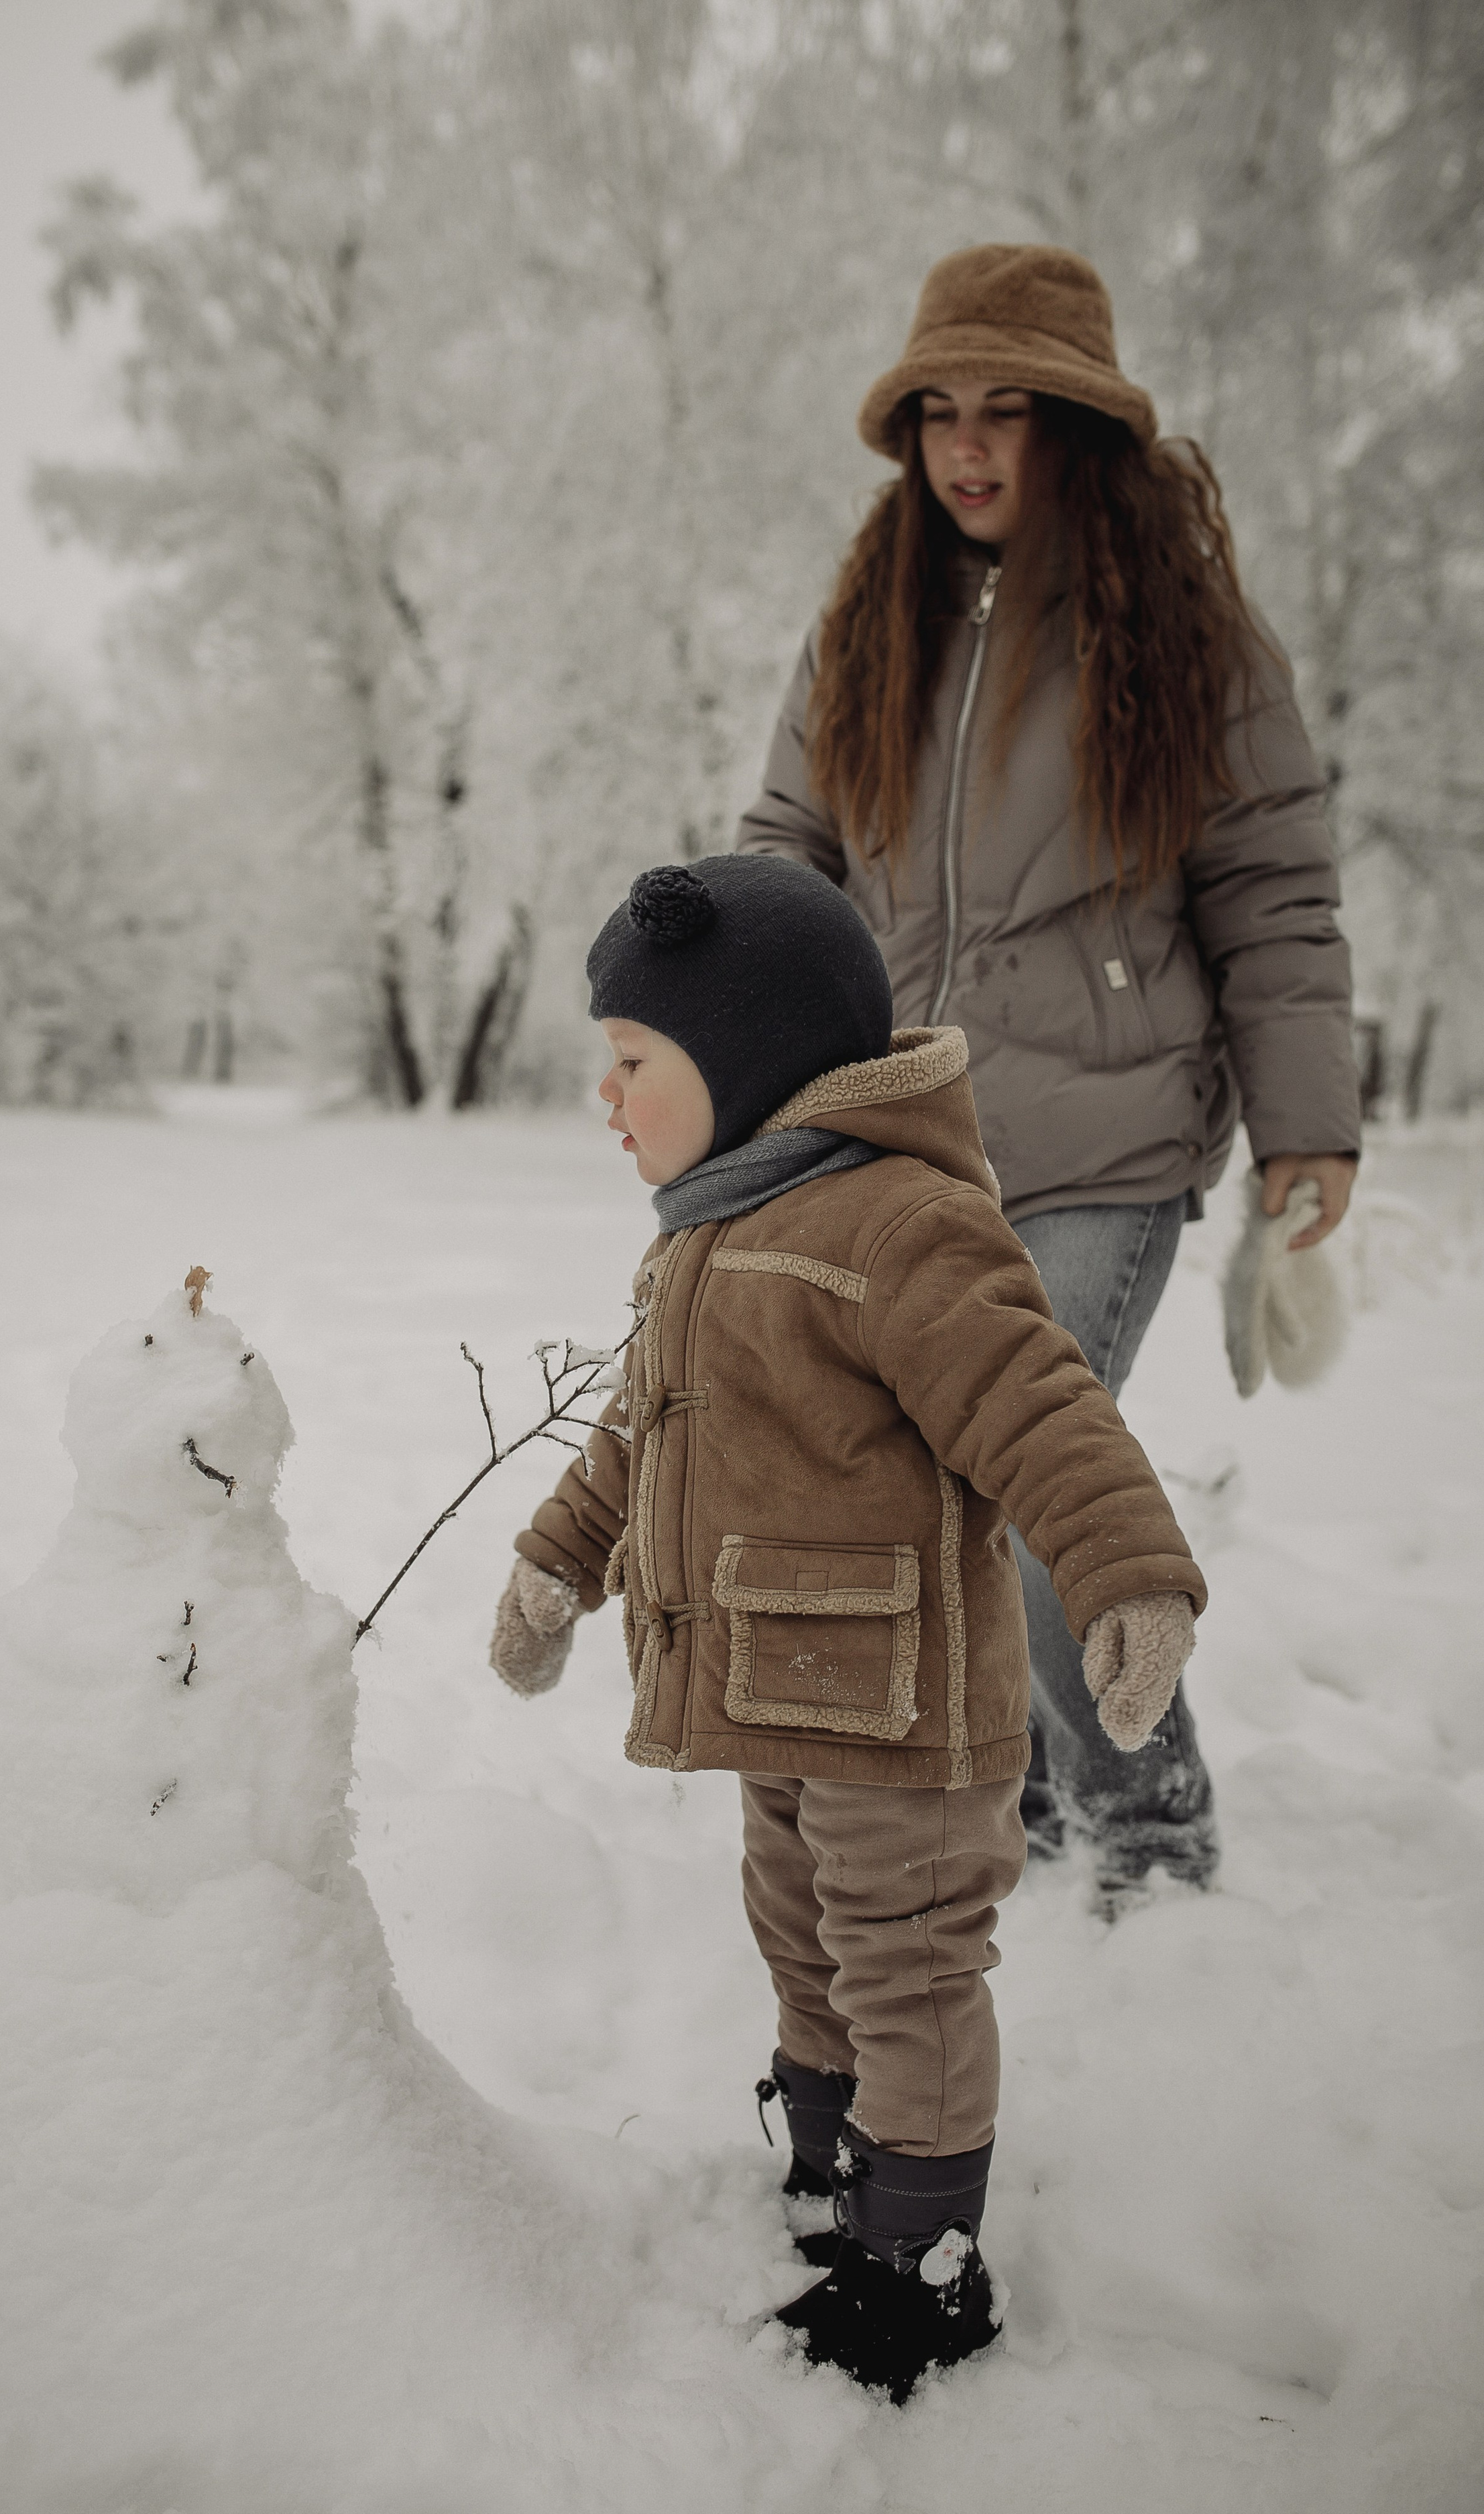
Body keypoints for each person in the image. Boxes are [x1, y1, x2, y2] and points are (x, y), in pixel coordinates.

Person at [486, 852, 1205, 2401]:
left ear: (742, 1058)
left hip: (901, 1709)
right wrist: (560, 1559)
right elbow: (640, 1428)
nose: (606, 1095)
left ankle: (920, 2265)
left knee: (905, 1966)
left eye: (633, 1059)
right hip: (779, 1687)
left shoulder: (897, 1226)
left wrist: (1123, 1569)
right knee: (800, 1935)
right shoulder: (706, 1232)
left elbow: (1037, 1404)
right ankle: (833, 2166)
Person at [737, 243, 1361, 1904]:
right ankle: (1016, 1795)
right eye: (936, 409)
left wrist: (1304, 1126)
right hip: (904, 1147)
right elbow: (789, 840)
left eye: (1004, 408)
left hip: (1106, 1146)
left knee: (1030, 1490)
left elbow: (1272, 891)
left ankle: (1148, 1839)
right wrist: (727, 1001)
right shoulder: (867, 624)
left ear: (1074, 424)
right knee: (923, 1494)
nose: (964, 445)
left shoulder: (1185, 634)